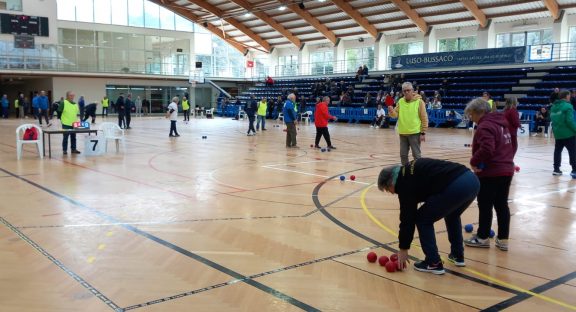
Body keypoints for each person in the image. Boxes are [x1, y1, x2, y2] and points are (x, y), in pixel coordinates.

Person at [378, 158, 480, 274]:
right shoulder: (407, 170)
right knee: (452, 215)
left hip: (457, 186)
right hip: (472, 181)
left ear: (390, 182)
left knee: (422, 219)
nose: (391, 192)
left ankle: (433, 262)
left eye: (387, 189)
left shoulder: (404, 183)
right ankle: (457, 256)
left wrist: (403, 249)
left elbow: (407, 219)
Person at [463, 98, 514, 251]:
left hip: (491, 172)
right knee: (501, 205)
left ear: (480, 112)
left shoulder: (485, 125)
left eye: (471, 115)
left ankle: (483, 237)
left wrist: (473, 161)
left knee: (485, 205)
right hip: (506, 169)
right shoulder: (502, 123)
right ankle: (503, 240)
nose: (471, 118)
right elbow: (513, 144)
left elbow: (487, 148)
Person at [388, 82, 429, 165]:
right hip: (403, 133)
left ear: (412, 90)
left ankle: (417, 173)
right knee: (403, 155)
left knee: (416, 155)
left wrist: (423, 132)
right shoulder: (400, 101)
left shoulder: (419, 102)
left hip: (415, 133)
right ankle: (405, 173)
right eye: (404, 91)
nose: (406, 92)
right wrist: (391, 111)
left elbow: (424, 118)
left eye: (408, 90)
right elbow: (395, 115)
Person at [550, 90, 576, 178]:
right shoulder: (568, 106)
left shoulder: (553, 107)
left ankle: (556, 169)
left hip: (557, 133)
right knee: (572, 151)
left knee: (557, 151)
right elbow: (569, 121)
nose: (570, 97)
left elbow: (553, 120)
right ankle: (574, 170)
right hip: (568, 133)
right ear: (566, 96)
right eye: (569, 95)